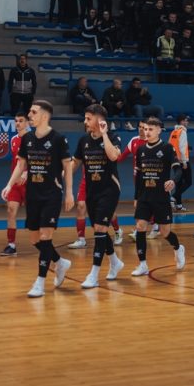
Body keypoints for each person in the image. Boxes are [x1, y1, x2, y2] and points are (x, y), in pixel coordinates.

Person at [1, 100, 74, 297]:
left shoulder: (58, 139)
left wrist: (69, 192)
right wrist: (9, 184)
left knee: (45, 236)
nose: (30, 115)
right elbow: (20, 165)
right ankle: (59, 262)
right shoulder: (27, 139)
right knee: (34, 239)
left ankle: (40, 282)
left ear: (44, 116)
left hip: (51, 194)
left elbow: (67, 167)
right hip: (33, 194)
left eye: (33, 112)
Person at [73, 104, 124, 288]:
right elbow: (75, 164)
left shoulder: (113, 136)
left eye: (88, 118)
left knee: (101, 228)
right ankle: (115, 262)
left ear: (99, 119)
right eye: (85, 118)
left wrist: (104, 135)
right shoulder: (83, 141)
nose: (85, 122)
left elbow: (113, 157)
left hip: (109, 189)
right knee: (98, 228)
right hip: (92, 190)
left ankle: (94, 274)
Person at [130, 117, 186, 276]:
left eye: (150, 129)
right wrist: (136, 197)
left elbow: (178, 170)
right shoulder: (140, 150)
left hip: (161, 197)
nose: (146, 132)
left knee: (165, 232)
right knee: (140, 226)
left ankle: (178, 248)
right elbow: (139, 177)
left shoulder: (167, 148)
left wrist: (173, 181)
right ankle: (142, 264)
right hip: (144, 197)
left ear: (159, 130)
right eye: (145, 129)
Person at [2, 112, 30, 256]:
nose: (18, 123)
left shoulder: (32, 139)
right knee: (11, 211)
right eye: (16, 121)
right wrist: (10, 184)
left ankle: (43, 241)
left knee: (34, 216)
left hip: (30, 183)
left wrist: (27, 172)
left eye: (21, 121)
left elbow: (37, 161)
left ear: (27, 123)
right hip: (15, 184)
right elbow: (16, 164)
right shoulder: (13, 140)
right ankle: (11, 245)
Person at [169, 114, 191, 213]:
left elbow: (171, 146)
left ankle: (179, 205)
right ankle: (173, 197)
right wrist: (184, 161)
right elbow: (182, 148)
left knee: (179, 183)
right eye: (186, 120)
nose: (187, 122)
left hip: (174, 160)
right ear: (181, 121)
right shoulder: (182, 131)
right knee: (188, 182)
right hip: (182, 161)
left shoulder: (174, 131)